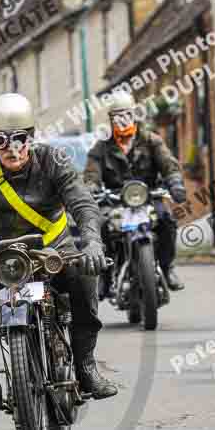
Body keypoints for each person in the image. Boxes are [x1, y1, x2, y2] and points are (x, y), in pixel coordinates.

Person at [0, 93, 117, 416]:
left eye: (20, 138)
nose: (12, 148)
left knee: (86, 277)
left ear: (31, 137)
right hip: (8, 261)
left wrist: (92, 244)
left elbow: (83, 206)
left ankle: (86, 368)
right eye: (2, 140)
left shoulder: (54, 161)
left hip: (56, 253)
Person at [83, 91, 187, 291]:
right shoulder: (101, 146)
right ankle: (105, 275)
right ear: (111, 119)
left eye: (127, 114)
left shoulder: (151, 140)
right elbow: (91, 173)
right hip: (114, 199)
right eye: (117, 116)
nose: (122, 120)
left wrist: (175, 183)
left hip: (148, 196)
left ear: (134, 115)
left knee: (167, 220)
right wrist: (90, 188)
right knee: (102, 224)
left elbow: (168, 164)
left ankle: (167, 268)